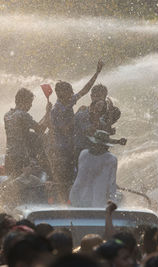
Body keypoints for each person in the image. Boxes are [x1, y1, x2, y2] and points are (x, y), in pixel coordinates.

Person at [49, 60, 104, 202]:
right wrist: (78, 116)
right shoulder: (57, 110)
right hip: (62, 150)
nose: (73, 93)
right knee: (66, 181)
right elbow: (65, 129)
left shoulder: (67, 102)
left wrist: (97, 73)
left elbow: (84, 90)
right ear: (60, 93)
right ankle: (67, 205)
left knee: (75, 177)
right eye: (69, 91)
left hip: (71, 148)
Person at [4, 87, 52, 177]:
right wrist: (48, 112)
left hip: (9, 156)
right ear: (23, 102)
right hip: (21, 158)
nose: (31, 106)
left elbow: (37, 126)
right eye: (30, 103)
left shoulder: (7, 115)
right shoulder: (22, 115)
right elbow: (41, 129)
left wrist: (46, 114)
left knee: (14, 183)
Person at [69, 130, 117, 207]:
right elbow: (112, 184)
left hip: (77, 197)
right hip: (98, 202)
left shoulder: (83, 154)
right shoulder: (111, 159)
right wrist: (113, 202)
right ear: (106, 146)